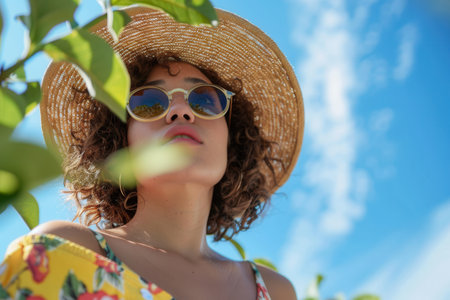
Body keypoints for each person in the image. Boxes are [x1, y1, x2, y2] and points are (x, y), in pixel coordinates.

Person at [0, 6, 304, 300]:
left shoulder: (276, 291)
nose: (180, 110)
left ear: (232, 139)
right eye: (149, 102)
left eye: (205, 100)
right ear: (120, 139)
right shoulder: (63, 250)